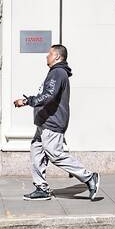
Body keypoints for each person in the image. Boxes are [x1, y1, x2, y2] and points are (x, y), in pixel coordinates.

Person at [13, 44, 100, 201]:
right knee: (36, 152)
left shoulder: (58, 73)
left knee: (55, 154)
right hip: (44, 122)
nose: (47, 56)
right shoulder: (56, 72)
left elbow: (48, 96)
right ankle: (41, 188)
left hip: (52, 123)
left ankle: (89, 177)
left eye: (50, 53)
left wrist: (26, 101)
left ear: (58, 57)